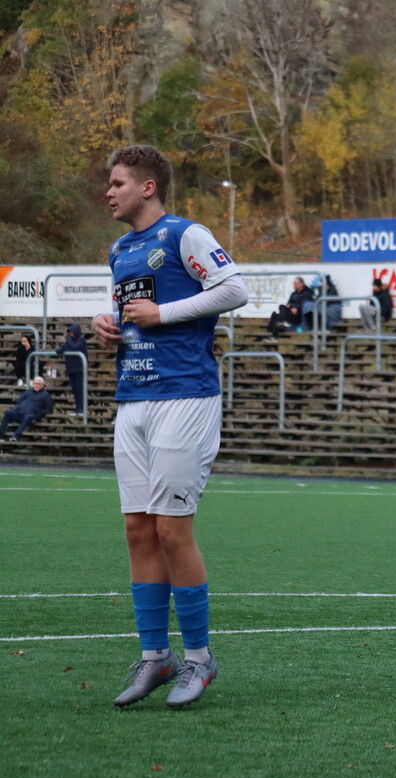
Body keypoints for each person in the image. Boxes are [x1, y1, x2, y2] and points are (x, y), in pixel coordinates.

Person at [92, 144, 249, 708]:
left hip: (185, 396)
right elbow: (132, 314)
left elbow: (234, 290)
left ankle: (200, 660)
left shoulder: (185, 235)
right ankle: (156, 658)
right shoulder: (120, 249)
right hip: (132, 398)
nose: (109, 192)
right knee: (138, 529)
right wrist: (106, 324)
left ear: (148, 186)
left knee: (172, 531)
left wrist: (164, 314)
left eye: (117, 183)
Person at [0, 375, 54, 440]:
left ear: (42, 385)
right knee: (8, 413)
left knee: (28, 417)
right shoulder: (28, 392)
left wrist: (40, 412)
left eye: (38, 384)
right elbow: (19, 402)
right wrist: (16, 409)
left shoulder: (46, 395)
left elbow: (49, 410)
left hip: (32, 417)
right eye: (35, 383)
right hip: (20, 414)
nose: (36, 385)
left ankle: (15, 436)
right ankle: (0, 435)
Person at [56, 324, 89, 414]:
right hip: (71, 369)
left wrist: (68, 339)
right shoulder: (69, 341)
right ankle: (78, 408)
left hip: (79, 370)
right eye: (69, 333)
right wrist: (60, 349)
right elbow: (64, 347)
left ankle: (82, 409)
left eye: (72, 332)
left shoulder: (81, 340)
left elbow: (74, 347)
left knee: (80, 390)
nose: (70, 334)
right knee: (75, 390)